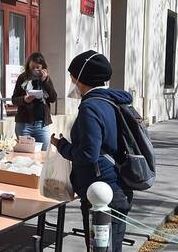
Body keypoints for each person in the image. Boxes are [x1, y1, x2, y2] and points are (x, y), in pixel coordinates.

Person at [50, 50, 133, 252]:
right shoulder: (112, 101)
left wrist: (61, 145)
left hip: (102, 191)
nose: (72, 82)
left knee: (100, 249)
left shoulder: (90, 107)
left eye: (73, 77)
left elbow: (89, 154)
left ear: (82, 78)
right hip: (117, 185)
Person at [12, 52, 57, 150]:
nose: (35, 70)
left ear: (43, 67)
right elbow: (14, 100)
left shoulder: (46, 79)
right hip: (24, 125)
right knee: (25, 155)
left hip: (42, 125)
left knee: (44, 155)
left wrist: (45, 82)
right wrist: (24, 99)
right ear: (28, 65)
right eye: (32, 67)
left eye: (38, 67)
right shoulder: (22, 77)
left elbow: (53, 98)